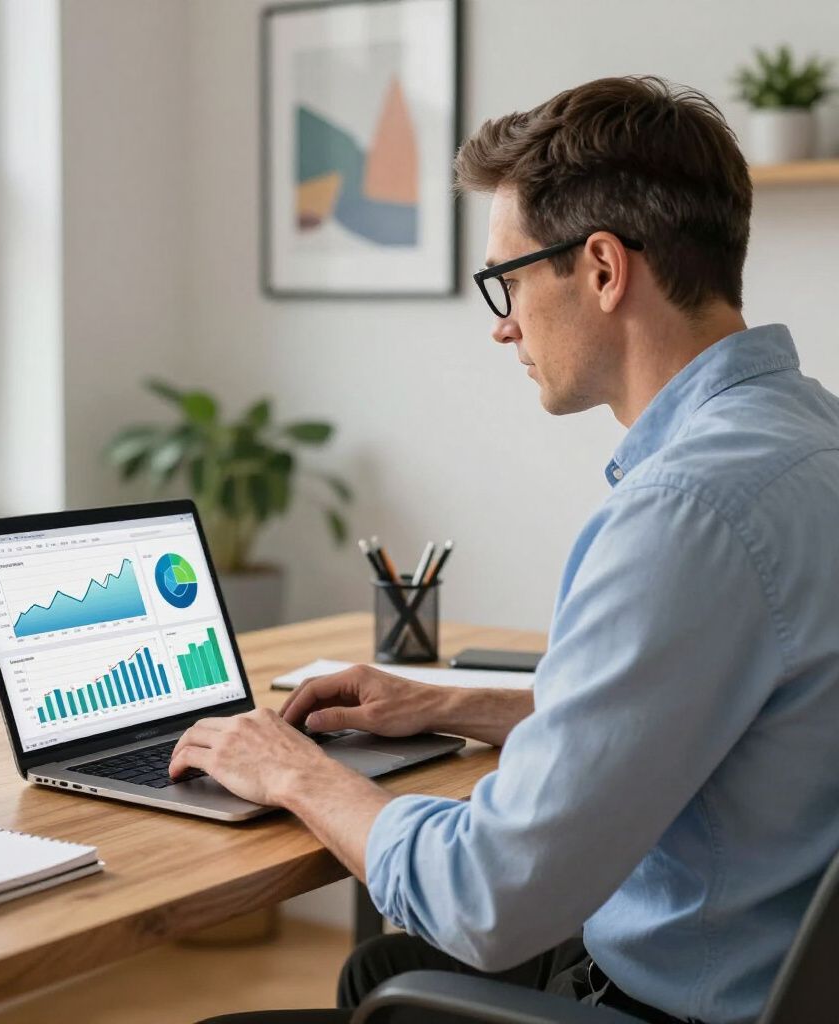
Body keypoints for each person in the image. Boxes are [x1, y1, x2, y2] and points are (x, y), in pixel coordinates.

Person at [168, 75, 839, 1024]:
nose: (503, 323)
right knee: (380, 975)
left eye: (509, 280)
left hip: (671, 1004)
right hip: (777, 976)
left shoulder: (685, 513)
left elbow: (487, 900)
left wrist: (289, 768)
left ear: (603, 270)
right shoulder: (812, 442)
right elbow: (704, 711)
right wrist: (452, 704)